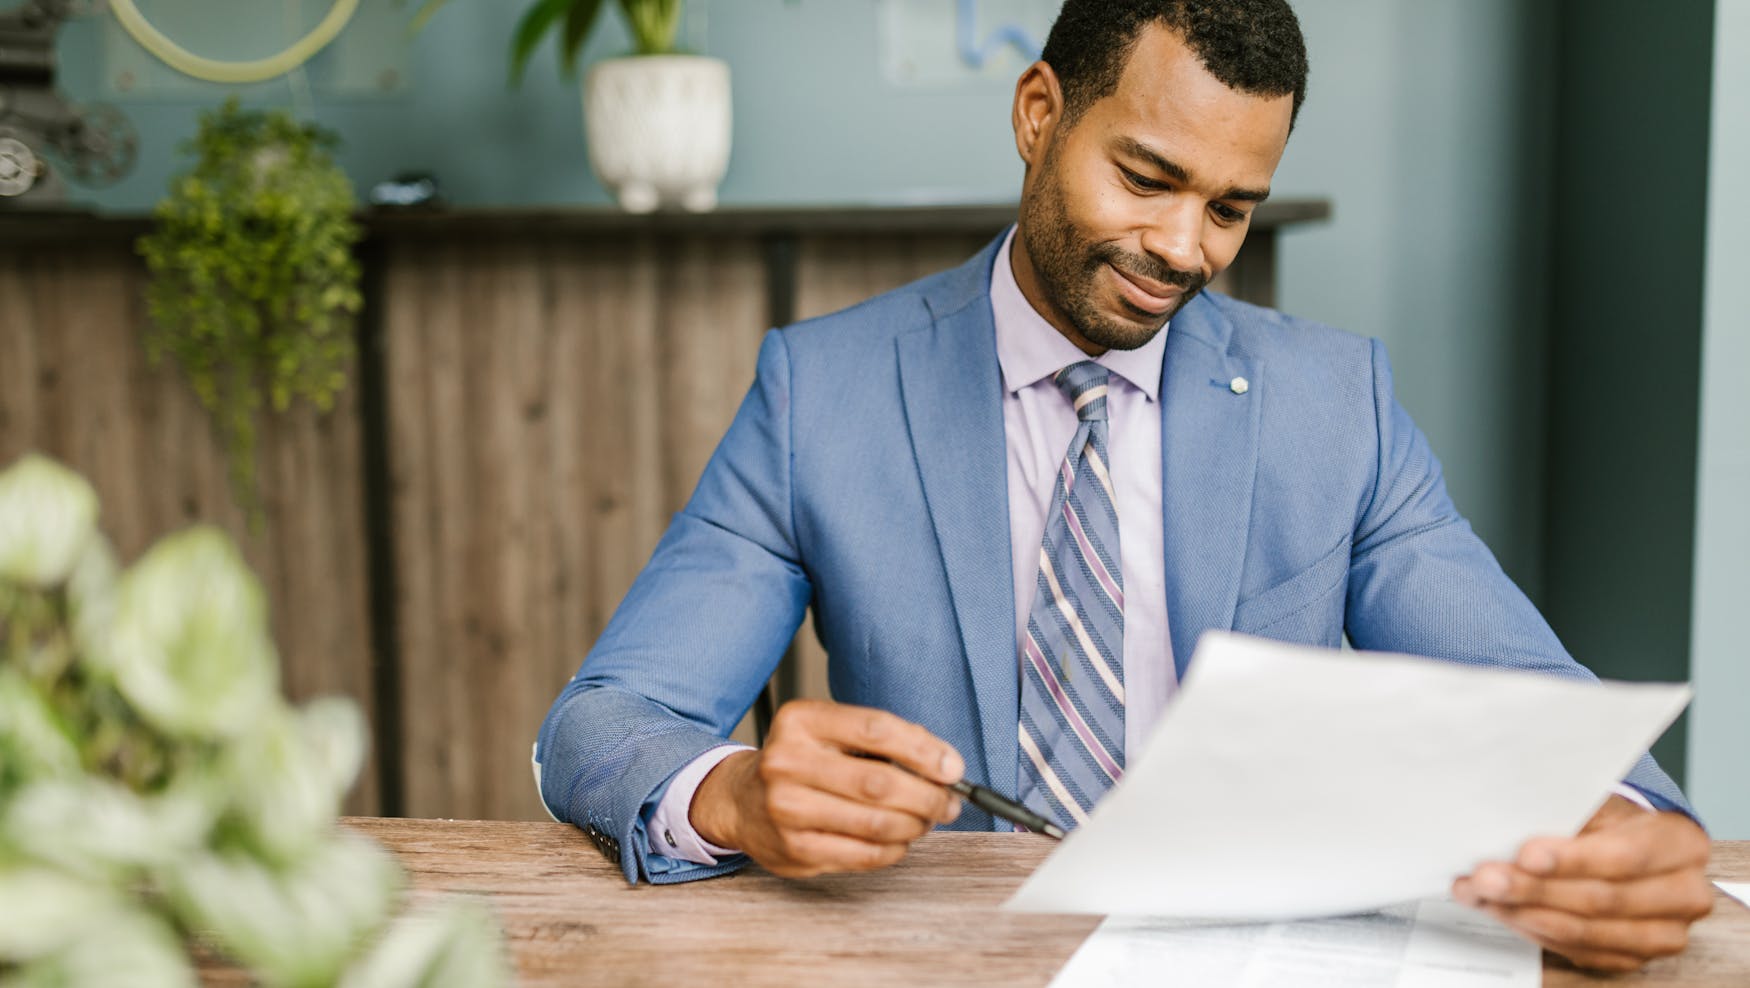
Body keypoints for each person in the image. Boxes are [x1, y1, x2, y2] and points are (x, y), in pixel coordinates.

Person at [533, 0, 1712, 972]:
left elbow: (1538, 699)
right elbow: (598, 724)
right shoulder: (823, 393)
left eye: (1228, 207)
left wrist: (1632, 829)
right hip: (948, 952)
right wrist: (733, 792)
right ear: (1037, 114)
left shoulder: (1332, 403)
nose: (1183, 248)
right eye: (1146, 176)